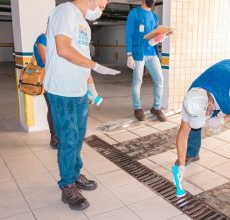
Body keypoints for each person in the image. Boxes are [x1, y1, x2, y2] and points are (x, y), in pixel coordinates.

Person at [44, 0, 120, 211]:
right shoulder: (65, 11)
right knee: (68, 139)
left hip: (78, 90)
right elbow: (63, 49)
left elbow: (82, 57)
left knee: (77, 137)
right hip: (61, 89)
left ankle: (75, 174)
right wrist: (96, 65)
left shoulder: (84, 23)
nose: (105, 7)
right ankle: (67, 185)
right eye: (104, 2)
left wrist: (91, 88)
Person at [175, 59, 230, 206]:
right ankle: (191, 152)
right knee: (192, 123)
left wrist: (223, 120)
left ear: (210, 105)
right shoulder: (192, 97)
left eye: (206, 114)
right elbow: (183, 133)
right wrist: (180, 165)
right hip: (221, 76)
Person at [33, 33, 102, 149]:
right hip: (50, 81)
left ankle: (67, 135)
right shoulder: (42, 39)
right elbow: (46, 61)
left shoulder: (63, 40)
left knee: (68, 108)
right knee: (53, 108)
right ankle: (54, 136)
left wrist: (92, 91)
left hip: (65, 80)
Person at [126, 0, 169, 122]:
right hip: (138, 54)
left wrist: (160, 38)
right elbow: (129, 34)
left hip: (152, 53)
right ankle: (137, 108)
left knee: (160, 80)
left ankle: (156, 108)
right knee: (138, 81)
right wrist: (129, 54)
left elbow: (154, 35)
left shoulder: (154, 17)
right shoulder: (134, 13)